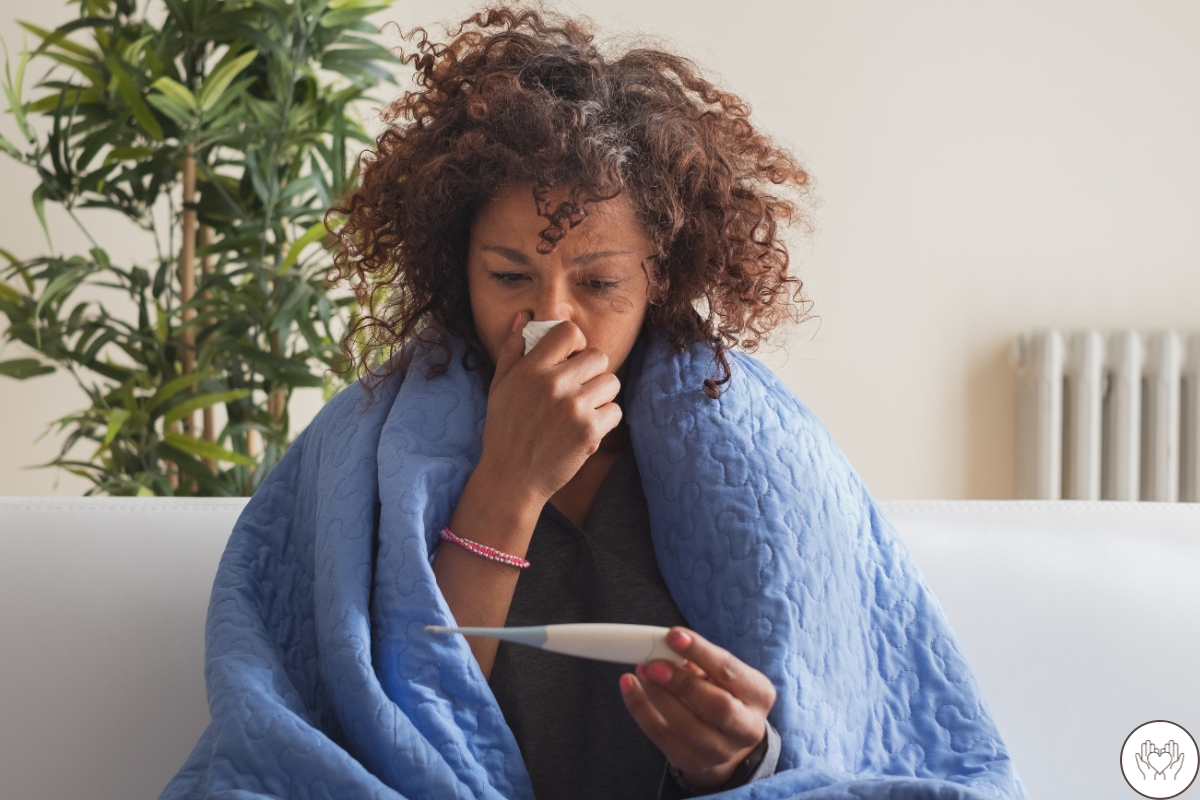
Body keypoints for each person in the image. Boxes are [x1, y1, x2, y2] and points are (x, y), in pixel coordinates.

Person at [161, 6, 1027, 800]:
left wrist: (733, 759)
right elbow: (377, 731)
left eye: (600, 282)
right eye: (509, 276)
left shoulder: (759, 449)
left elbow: (839, 747)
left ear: (662, 278)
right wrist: (508, 481)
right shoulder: (367, 441)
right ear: (454, 265)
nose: (547, 320)